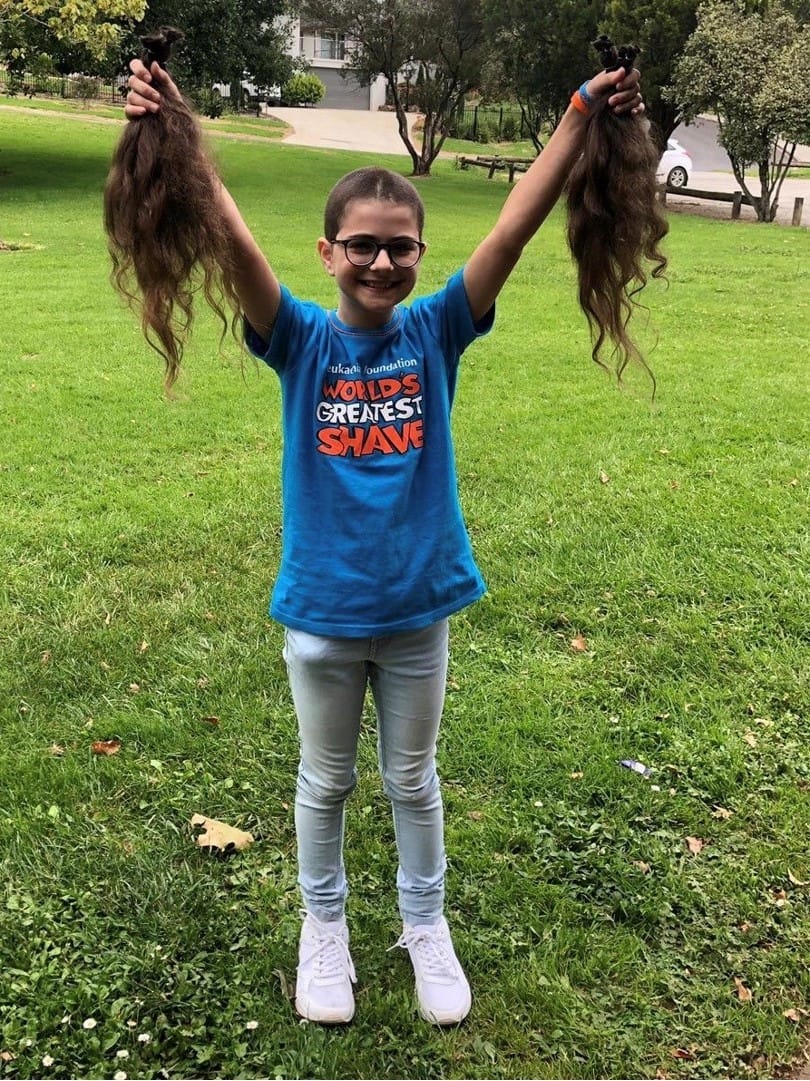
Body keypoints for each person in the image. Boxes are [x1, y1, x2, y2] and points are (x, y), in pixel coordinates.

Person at [118, 53, 646, 1027]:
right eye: (361, 246)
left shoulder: (437, 329)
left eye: (400, 247)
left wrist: (577, 117)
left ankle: (424, 923)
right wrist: (182, 134)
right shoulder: (302, 339)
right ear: (327, 253)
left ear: (418, 253)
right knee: (325, 780)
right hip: (321, 611)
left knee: (413, 779)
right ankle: (324, 929)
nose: (381, 262)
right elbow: (229, 236)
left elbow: (515, 224)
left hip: (415, 614)